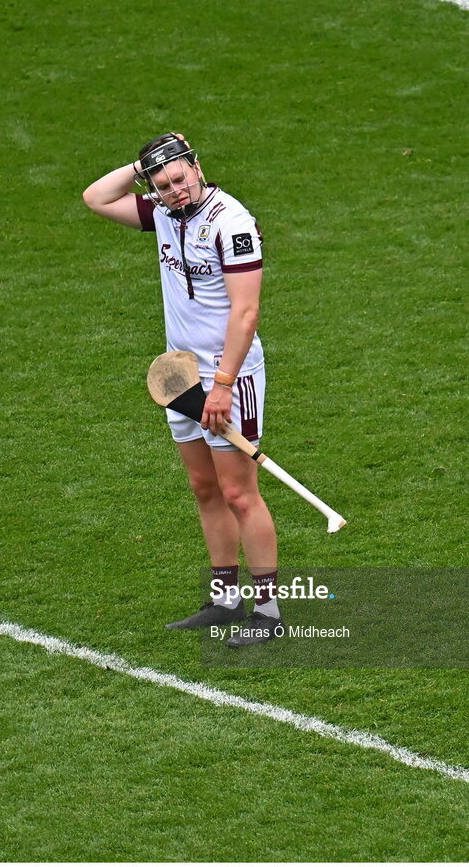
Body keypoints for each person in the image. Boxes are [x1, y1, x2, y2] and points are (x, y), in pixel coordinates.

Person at [82, 133, 282, 647]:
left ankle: (268, 609)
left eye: (180, 176)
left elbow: (246, 313)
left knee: (239, 491)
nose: (174, 190)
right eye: (162, 183)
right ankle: (224, 598)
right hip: (181, 374)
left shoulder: (231, 224)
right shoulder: (165, 213)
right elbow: (95, 198)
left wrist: (221, 385)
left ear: (197, 167)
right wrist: (139, 165)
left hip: (227, 376)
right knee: (204, 488)